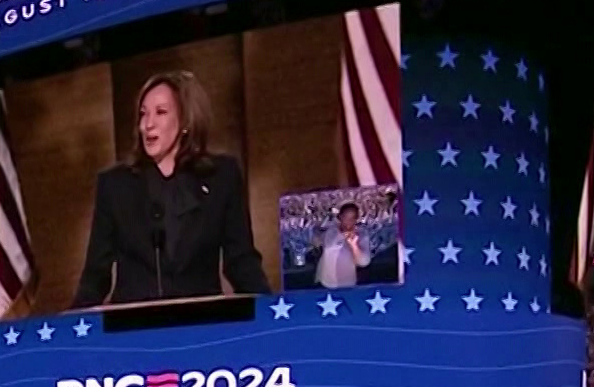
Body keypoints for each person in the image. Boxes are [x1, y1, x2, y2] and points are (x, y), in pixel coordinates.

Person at [71, 71, 271, 309]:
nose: (147, 124)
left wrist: (270, 315)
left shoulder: (221, 177)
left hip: (200, 325)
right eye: (143, 114)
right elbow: (96, 275)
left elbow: (241, 261)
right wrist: (74, 325)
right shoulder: (115, 185)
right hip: (134, 330)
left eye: (161, 112)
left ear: (186, 120)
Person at [313, 202, 371, 289]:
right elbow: (326, 245)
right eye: (345, 217)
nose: (349, 221)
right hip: (325, 282)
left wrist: (354, 246)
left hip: (347, 284)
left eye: (352, 218)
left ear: (357, 219)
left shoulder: (362, 235)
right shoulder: (331, 231)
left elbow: (364, 262)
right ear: (340, 217)